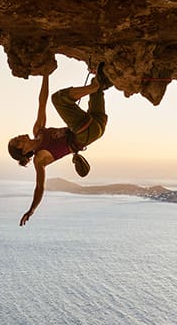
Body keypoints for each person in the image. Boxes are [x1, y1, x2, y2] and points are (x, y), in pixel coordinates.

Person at [8, 63, 111, 226]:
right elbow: (39, 188)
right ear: (23, 150)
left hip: (94, 122)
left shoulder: (38, 130)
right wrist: (31, 210)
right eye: (17, 140)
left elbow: (42, 101)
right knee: (59, 99)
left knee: (98, 80)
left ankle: (99, 84)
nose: (19, 136)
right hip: (86, 132)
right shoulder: (39, 160)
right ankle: (95, 86)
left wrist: (46, 74)